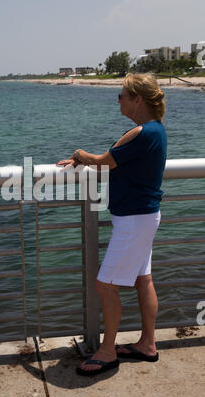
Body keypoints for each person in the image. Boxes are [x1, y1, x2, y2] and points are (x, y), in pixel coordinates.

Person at [57, 73, 167, 376]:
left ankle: (107, 351)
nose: (117, 99)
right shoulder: (156, 131)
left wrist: (79, 155)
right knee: (143, 279)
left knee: (105, 285)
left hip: (134, 221)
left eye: (121, 94)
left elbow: (104, 160)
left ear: (137, 100)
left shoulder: (143, 133)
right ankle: (147, 344)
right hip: (143, 217)